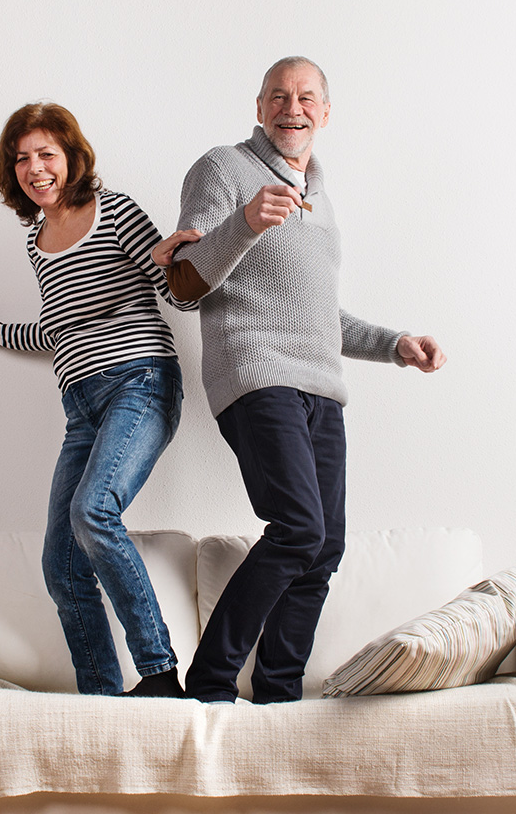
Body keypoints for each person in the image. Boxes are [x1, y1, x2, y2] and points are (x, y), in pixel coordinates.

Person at [157, 57, 446, 704]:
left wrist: (396, 345)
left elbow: (317, 315)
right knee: (299, 528)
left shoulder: (321, 195)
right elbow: (183, 283)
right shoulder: (223, 169)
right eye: (280, 96)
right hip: (256, 372)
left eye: (307, 97)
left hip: (321, 386)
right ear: (259, 108)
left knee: (324, 545)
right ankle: (207, 684)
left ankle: (279, 693)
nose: (294, 107)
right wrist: (245, 222)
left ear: (325, 111)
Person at [0, 103, 197, 698]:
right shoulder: (36, 241)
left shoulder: (113, 210)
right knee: (61, 569)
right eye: (22, 159)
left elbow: (176, 292)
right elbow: (57, 328)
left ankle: (161, 675)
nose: (35, 168)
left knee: (94, 513)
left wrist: (184, 256)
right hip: (81, 409)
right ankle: (104, 703)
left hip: (140, 382)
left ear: (70, 157)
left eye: (46, 155)